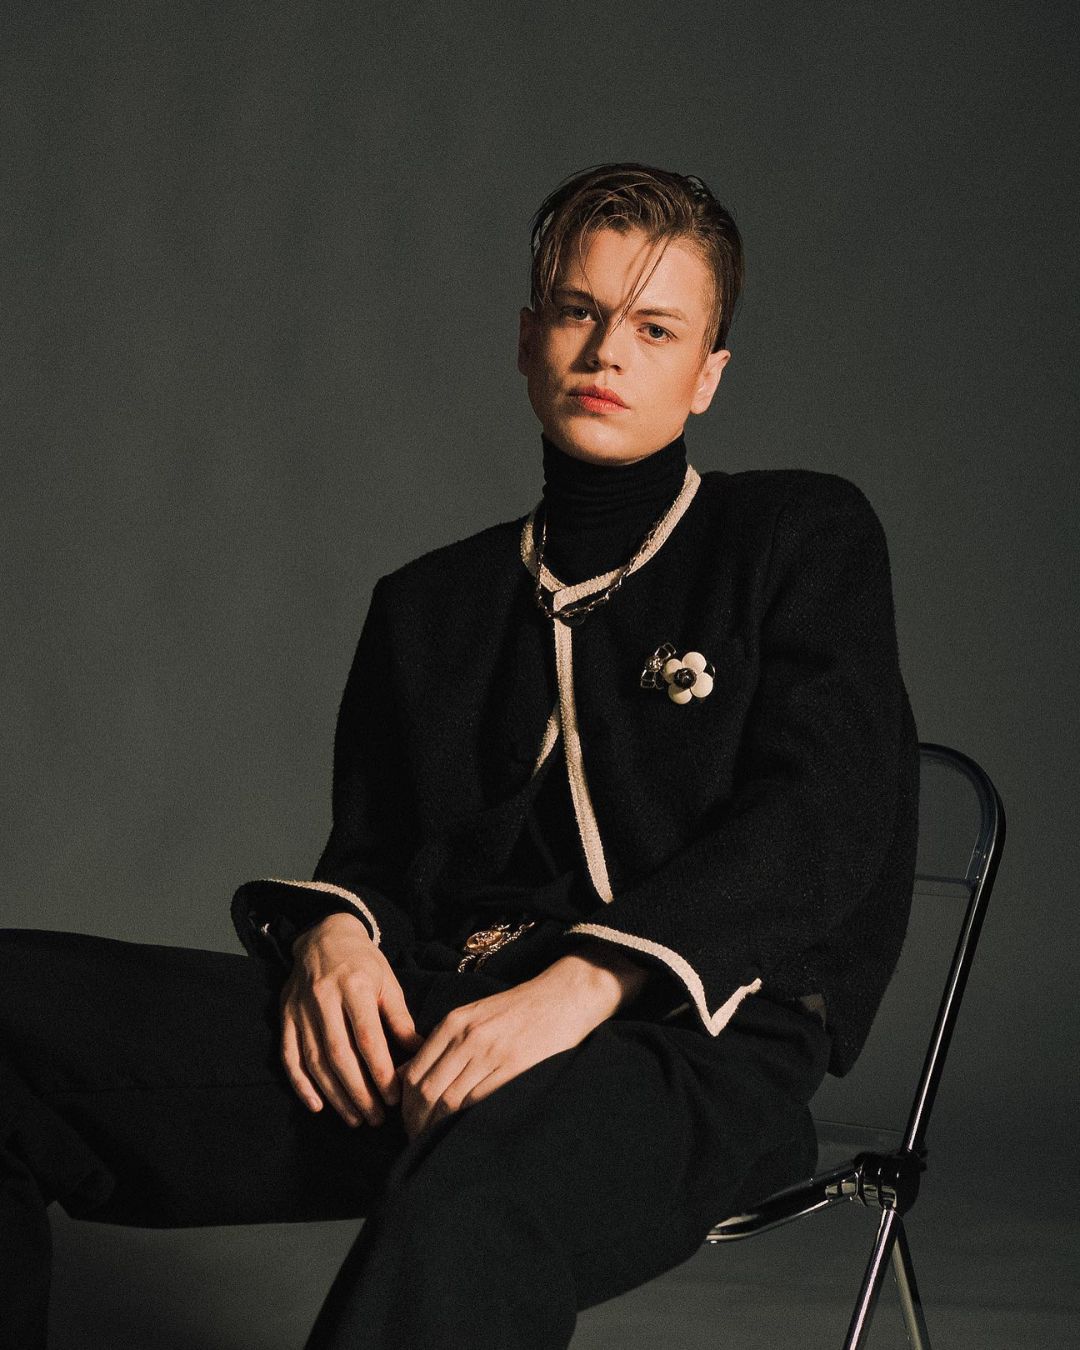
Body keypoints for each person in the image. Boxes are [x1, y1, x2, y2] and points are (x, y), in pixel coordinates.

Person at [0, 162, 919, 1349]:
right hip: (440, 1023)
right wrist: (334, 935)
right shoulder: (429, 604)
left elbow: (825, 819)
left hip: (694, 1053)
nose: (607, 352)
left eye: (654, 328)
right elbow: (381, 859)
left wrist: (583, 984)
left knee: (471, 1196)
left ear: (707, 375)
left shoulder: (797, 536)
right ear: (529, 340)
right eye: (580, 313)